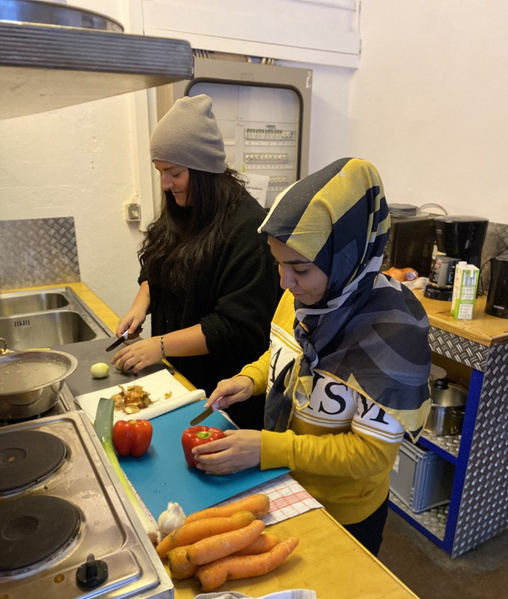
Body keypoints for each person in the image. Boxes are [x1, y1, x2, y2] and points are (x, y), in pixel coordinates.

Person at [191, 157, 432, 555]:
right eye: (278, 264)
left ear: (345, 258)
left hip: (344, 514)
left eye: (299, 268)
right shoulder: (305, 297)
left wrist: (268, 448)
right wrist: (249, 379)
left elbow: (370, 455)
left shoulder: (393, 334)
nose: (285, 282)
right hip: (287, 485)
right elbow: (284, 352)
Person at [111, 94, 280, 429]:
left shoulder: (247, 229)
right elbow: (159, 262)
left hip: (223, 398)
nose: (165, 184)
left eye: (174, 172)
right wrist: (141, 304)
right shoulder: (184, 207)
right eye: (160, 172)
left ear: (203, 170)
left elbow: (237, 326)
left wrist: (160, 346)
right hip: (180, 381)